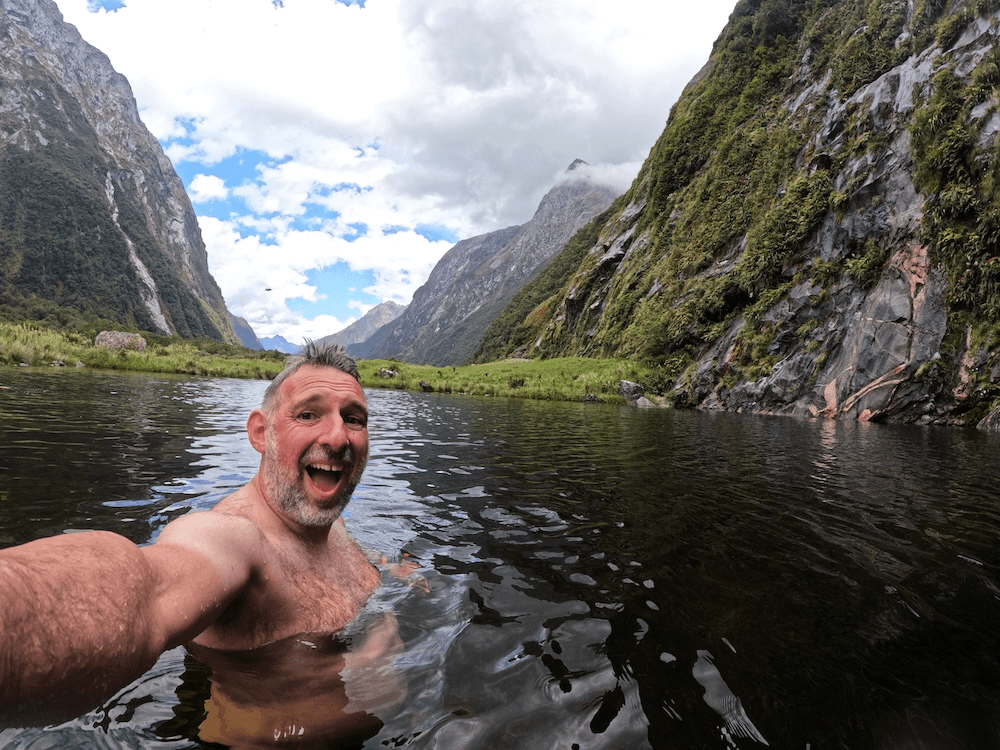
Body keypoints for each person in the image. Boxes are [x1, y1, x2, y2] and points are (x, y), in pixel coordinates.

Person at [0, 341, 406, 731]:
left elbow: (336, 548)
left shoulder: (326, 516)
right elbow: (144, 594)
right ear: (261, 433)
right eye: (307, 415)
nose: (338, 438)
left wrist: (386, 565)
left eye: (354, 419)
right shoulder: (234, 540)